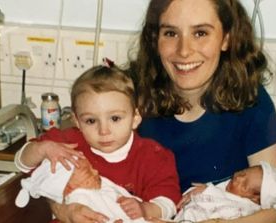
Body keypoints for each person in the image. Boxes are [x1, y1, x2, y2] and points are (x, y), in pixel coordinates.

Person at [128, 0, 276, 222]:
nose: (184, 51)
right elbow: (70, 155)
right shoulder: (127, 94)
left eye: (200, 33)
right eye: (170, 33)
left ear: (226, 38)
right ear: (155, 39)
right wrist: (64, 207)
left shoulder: (250, 100)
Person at [14, 61, 182, 222]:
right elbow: (22, 163)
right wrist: (43, 149)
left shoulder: (153, 156)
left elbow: (169, 203)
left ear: (135, 118)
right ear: (77, 121)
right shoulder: (68, 142)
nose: (104, 131)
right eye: (91, 121)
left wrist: (146, 209)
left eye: (115, 118)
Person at [16, 157, 149, 223]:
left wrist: (128, 200)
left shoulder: (98, 185)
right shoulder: (80, 198)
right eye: (88, 171)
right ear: (68, 188)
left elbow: (116, 195)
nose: (96, 171)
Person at [173, 161, 276, 222]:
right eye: (243, 172)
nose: (238, 178)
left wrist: (207, 190)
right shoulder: (229, 191)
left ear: (254, 200)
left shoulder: (240, 210)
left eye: (245, 184)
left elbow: (218, 207)